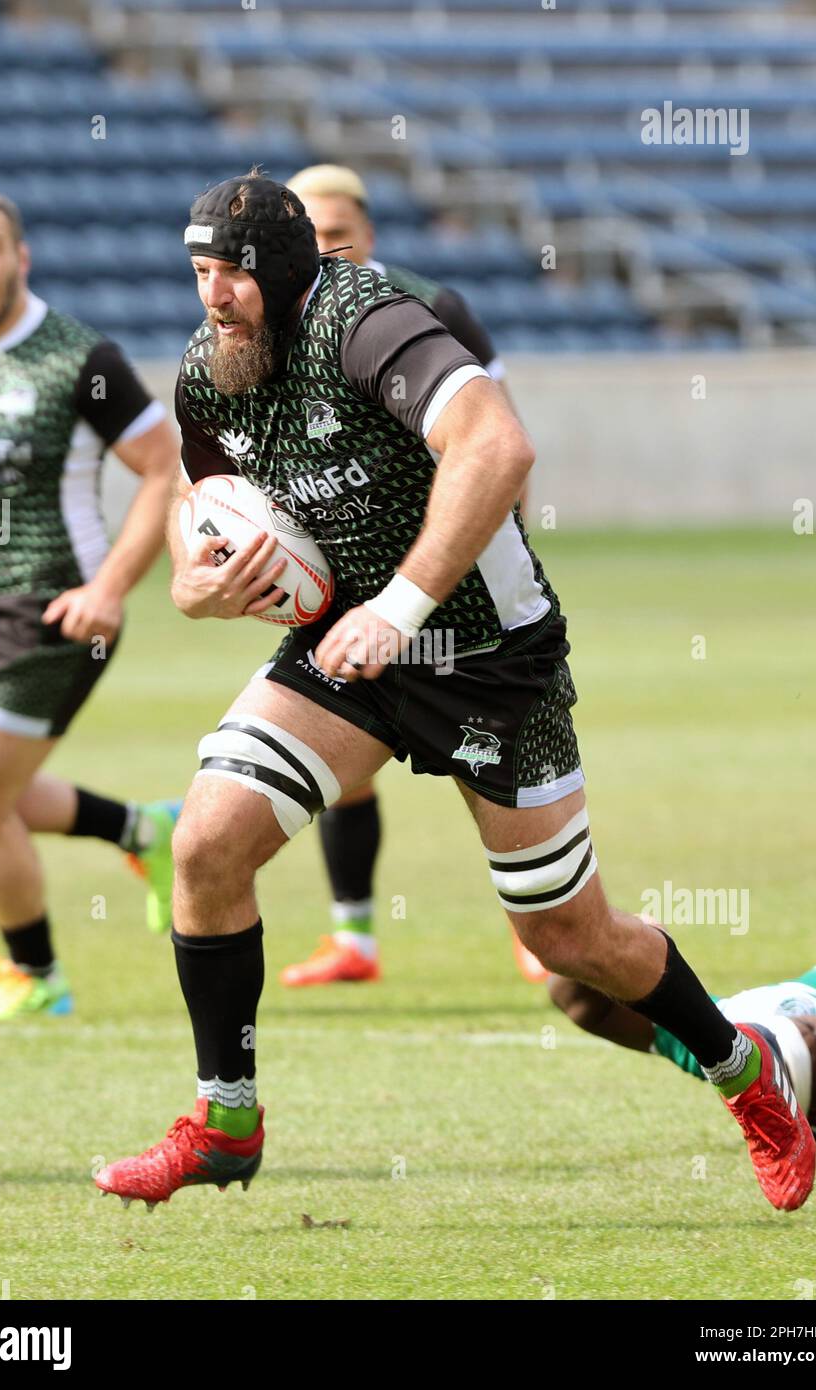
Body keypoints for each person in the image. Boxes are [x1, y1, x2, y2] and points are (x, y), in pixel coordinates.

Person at [94, 169, 814, 1215]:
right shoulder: (212, 372)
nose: (212, 297)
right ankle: (226, 1119)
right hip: (347, 652)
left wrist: (404, 600)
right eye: (199, 272)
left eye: (232, 275)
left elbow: (496, 443)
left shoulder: (371, 325)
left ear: (287, 272)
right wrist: (191, 579)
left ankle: (744, 1074)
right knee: (207, 842)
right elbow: (199, 499)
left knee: (569, 939)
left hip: (487, 657)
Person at [0, 189, 181, 1021]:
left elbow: (162, 468)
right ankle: (143, 830)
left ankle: (35, 978)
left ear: (20, 257)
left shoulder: (80, 358)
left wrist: (108, 590)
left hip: (60, 607)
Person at [281, 162, 541, 986]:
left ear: (367, 236)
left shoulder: (433, 307)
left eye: (335, 237)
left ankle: (538, 928)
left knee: (487, 763)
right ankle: (354, 940)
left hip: (444, 577)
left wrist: (510, 540)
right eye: (306, 238)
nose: (322, 252)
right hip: (337, 580)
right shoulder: (274, 323)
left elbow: (500, 436)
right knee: (336, 771)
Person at [550, 940, 816, 1154]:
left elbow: (579, 1000)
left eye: (809, 1025)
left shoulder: (733, 1038)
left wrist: (614, 938)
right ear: (815, 1112)